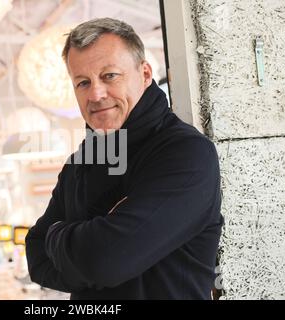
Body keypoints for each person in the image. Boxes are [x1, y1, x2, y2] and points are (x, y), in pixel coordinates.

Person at [25, 18, 223, 300]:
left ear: (144, 74)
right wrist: (88, 241)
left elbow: (104, 261)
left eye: (109, 76)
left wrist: (57, 232)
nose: (95, 94)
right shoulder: (82, 161)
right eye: (83, 82)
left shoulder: (185, 153)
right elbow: (36, 255)